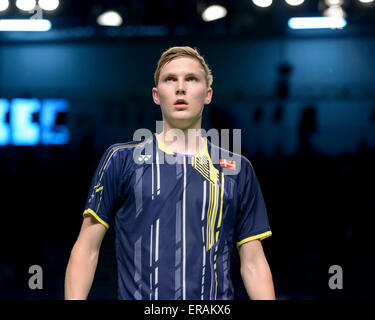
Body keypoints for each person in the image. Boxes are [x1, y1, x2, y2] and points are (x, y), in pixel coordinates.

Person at [64, 46, 275, 300]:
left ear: (207, 94)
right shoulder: (120, 160)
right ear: (156, 95)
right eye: (170, 79)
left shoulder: (237, 169)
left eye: (191, 79)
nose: (180, 88)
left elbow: (253, 262)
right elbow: (87, 249)